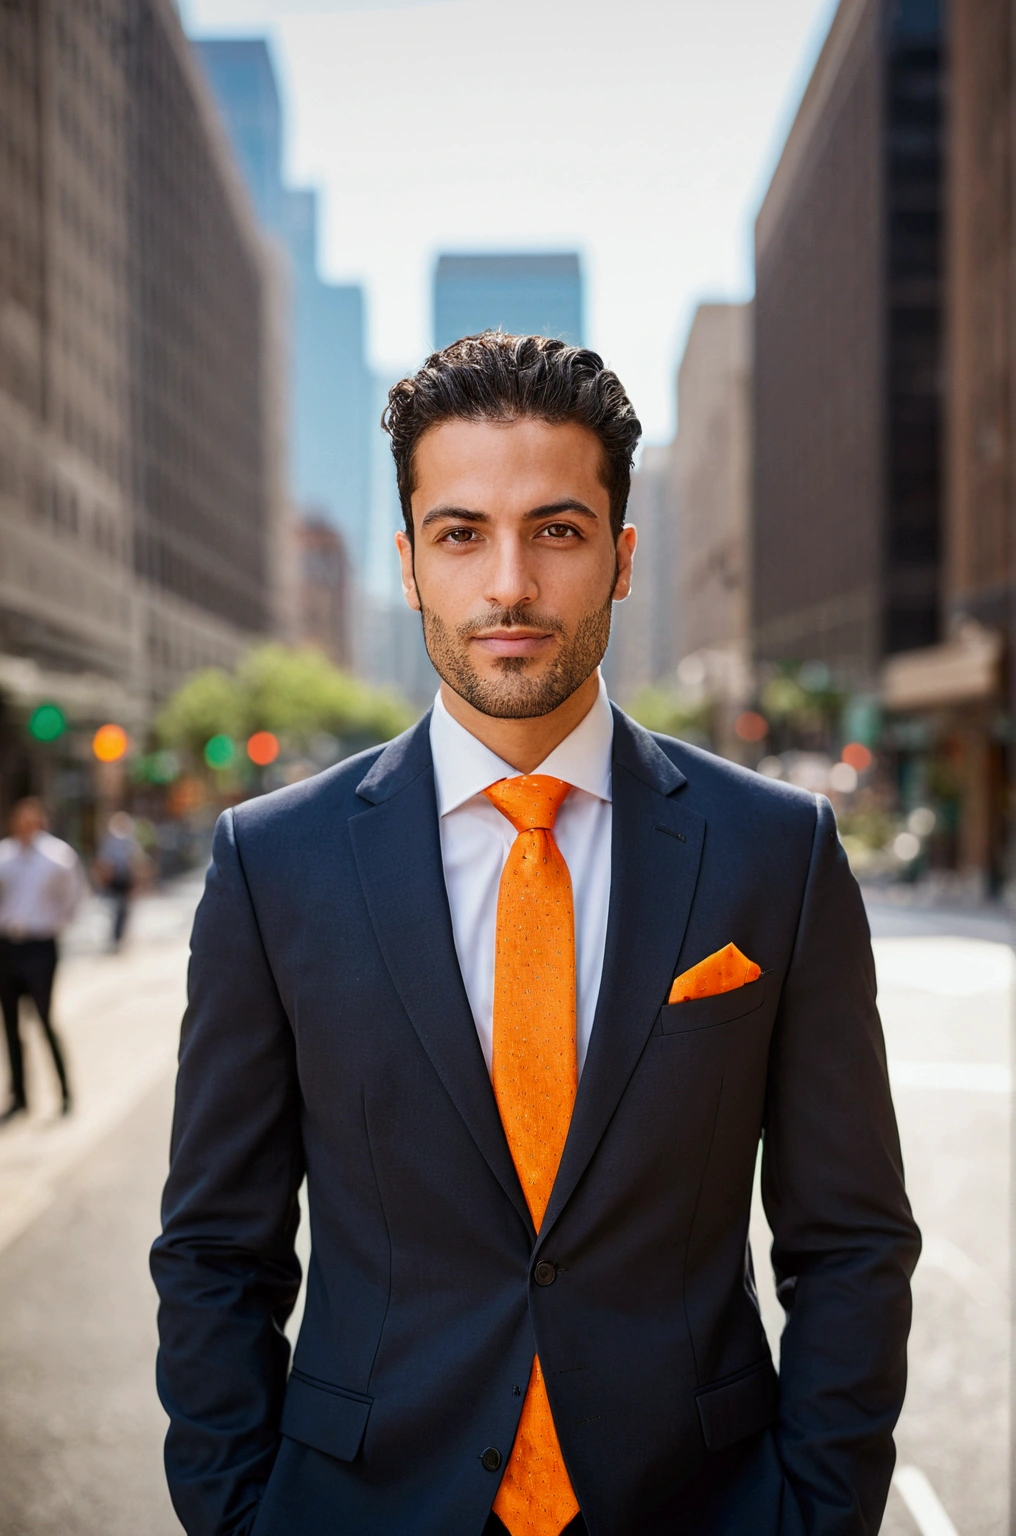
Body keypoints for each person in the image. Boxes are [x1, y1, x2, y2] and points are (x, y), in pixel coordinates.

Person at [152, 334, 920, 1536]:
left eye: (555, 531)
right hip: (357, 1507)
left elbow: (846, 1239)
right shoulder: (273, 864)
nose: (507, 584)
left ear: (618, 558)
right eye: (460, 534)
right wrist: (238, 1515)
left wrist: (814, 1514)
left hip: (701, 1504)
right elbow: (214, 1249)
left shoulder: (777, 853)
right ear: (408, 566)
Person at [0, 796, 85, 1121]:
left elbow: (76, 895)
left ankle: (64, 1091)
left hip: (40, 945)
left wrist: (57, 923)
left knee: (45, 1019)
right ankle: (19, 1095)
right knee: (9, 1024)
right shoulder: (5, 855)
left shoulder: (57, 857)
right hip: (8, 946)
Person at [94, 811, 144, 950]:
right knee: (119, 909)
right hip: (117, 879)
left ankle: (118, 936)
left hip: (122, 879)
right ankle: (117, 936)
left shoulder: (121, 840)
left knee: (120, 910)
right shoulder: (117, 841)